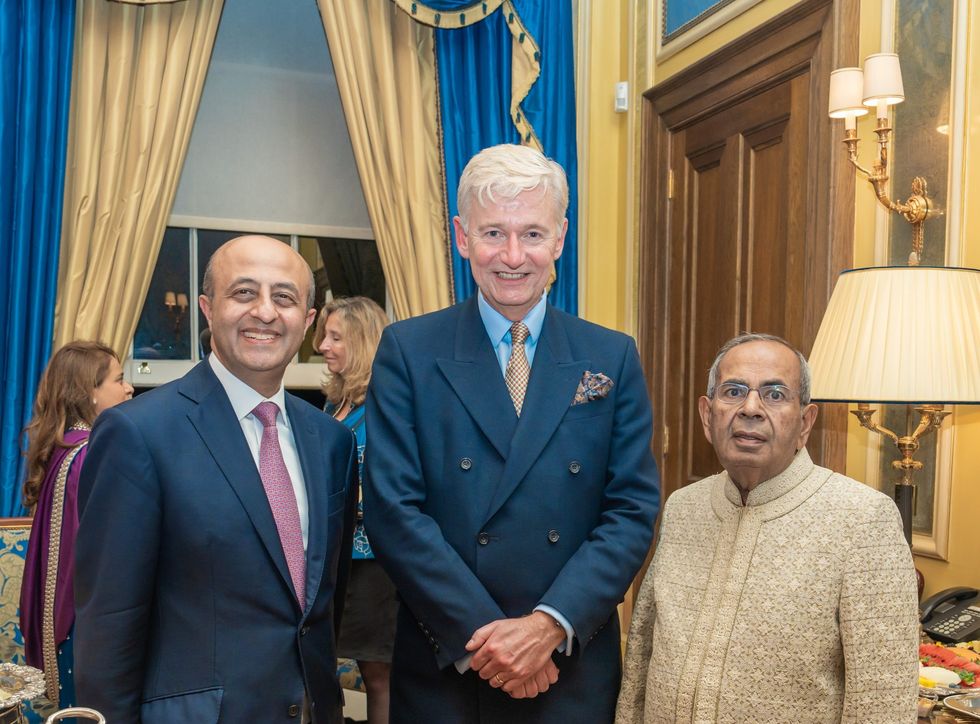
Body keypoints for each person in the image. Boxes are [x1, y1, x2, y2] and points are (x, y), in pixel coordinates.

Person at [363, 143, 661, 723]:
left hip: (568, 663)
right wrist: (493, 644)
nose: (513, 256)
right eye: (493, 233)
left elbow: (630, 510)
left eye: (531, 233)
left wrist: (547, 627)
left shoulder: (611, 356)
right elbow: (393, 511)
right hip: (450, 663)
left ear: (560, 238)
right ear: (462, 237)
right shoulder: (409, 351)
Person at [74, 235, 358, 724]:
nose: (265, 312)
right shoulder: (139, 433)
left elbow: (325, 603)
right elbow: (110, 623)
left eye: (284, 297)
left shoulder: (332, 442)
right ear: (207, 308)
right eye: (244, 293)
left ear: (307, 321)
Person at [616, 333, 920, 724]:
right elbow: (642, 653)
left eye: (775, 394)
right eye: (734, 391)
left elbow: (883, 704)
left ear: (805, 422)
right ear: (708, 416)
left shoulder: (863, 521)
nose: (751, 408)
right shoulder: (683, 507)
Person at [19, 341, 132, 708]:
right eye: (119, 379)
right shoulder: (90, 454)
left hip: (69, 623)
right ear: (89, 392)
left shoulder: (67, 447)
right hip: (84, 625)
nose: (129, 388)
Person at [314, 296, 395, 724]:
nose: (323, 346)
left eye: (335, 337)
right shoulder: (333, 403)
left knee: (377, 671)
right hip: (334, 557)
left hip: (374, 562)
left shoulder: (384, 407)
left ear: (363, 342)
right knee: (324, 663)